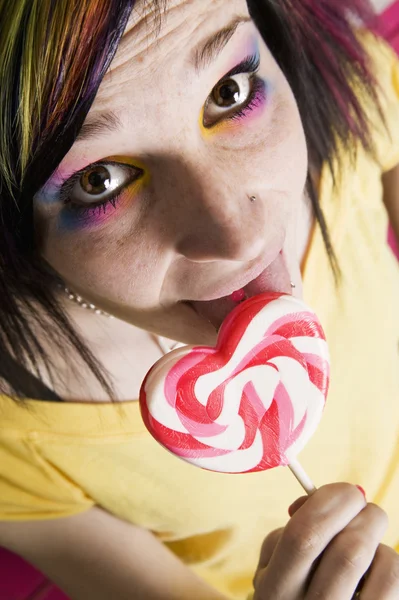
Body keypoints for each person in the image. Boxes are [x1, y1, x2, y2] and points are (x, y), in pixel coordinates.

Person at [0, 0, 398, 598]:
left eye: (231, 92)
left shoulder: (352, 107)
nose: (238, 238)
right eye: (98, 180)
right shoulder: (16, 442)